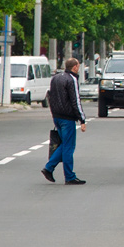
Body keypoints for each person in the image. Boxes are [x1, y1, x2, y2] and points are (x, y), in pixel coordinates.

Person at [41, 57, 87, 185]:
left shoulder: (55, 78)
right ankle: (69, 176)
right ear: (75, 67)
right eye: (78, 65)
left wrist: (54, 114)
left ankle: (49, 168)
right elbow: (75, 101)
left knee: (64, 144)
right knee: (68, 146)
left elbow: (51, 96)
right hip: (67, 118)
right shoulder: (71, 79)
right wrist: (82, 119)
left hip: (57, 117)